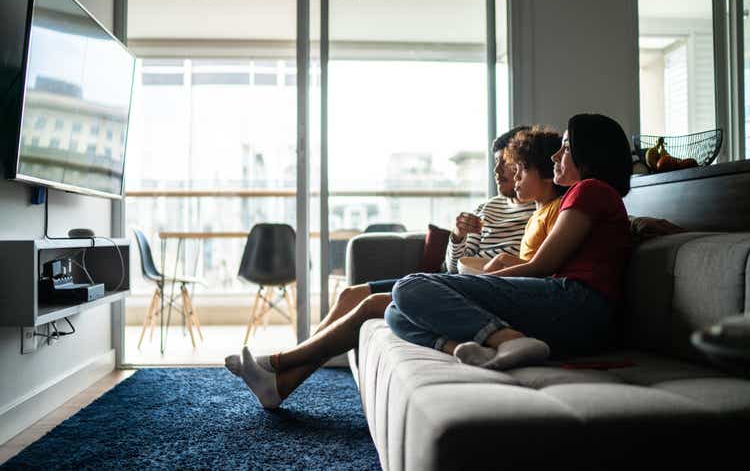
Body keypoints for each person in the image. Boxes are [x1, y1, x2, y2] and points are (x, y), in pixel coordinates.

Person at [224, 126, 536, 408]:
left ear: (523, 164)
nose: (497, 170)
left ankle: (279, 368)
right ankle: (279, 381)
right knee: (349, 294)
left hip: (468, 291)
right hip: (448, 281)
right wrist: (457, 236)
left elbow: (528, 267)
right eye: (494, 162)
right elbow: (452, 266)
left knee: (371, 304)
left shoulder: (536, 213)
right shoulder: (487, 208)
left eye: (504, 163)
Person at [383, 113, 634, 370]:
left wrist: (476, 282)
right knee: (394, 312)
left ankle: (509, 340)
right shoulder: (590, 196)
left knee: (410, 286)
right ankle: (473, 348)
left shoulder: (589, 190)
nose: (555, 156)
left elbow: (542, 265)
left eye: (567, 148)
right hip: (570, 313)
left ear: (590, 154)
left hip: (578, 305)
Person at [458, 126, 567, 275]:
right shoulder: (536, 215)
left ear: (547, 174)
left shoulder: (557, 211)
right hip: (485, 276)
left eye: (522, 168)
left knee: (420, 282)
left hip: (519, 287)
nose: (516, 176)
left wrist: (498, 265)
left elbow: (545, 268)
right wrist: (458, 236)